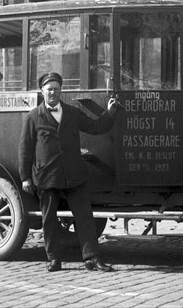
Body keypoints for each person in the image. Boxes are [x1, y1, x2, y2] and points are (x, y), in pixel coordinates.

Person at [18, 72, 119, 272]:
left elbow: (95, 127)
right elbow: (25, 149)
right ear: (42, 92)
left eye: (56, 89)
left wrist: (109, 114)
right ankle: (53, 259)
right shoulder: (33, 117)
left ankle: (92, 258)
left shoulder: (72, 113)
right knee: (49, 220)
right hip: (46, 176)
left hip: (74, 174)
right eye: (49, 90)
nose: (53, 93)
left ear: (61, 91)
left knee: (85, 218)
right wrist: (25, 178)